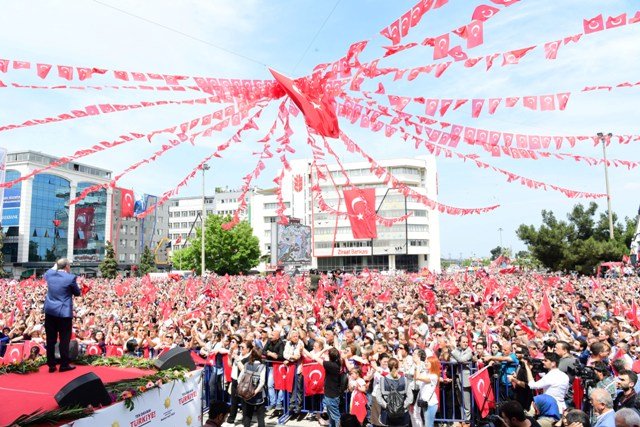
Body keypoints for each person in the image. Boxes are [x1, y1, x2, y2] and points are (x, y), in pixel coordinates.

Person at [43, 258, 82, 372]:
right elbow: (77, 293)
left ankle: (51, 365)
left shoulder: (49, 274)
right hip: (64, 313)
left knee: (50, 339)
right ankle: (64, 364)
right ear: (66, 267)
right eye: (69, 265)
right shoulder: (70, 278)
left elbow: (53, 268)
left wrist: (58, 264)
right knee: (64, 339)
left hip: (50, 311)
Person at [374, 357, 412, 426]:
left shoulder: (382, 380)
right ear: (398, 367)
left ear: (388, 367)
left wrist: (386, 406)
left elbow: (378, 397)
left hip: (387, 413)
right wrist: (402, 407)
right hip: (402, 414)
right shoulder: (405, 380)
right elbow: (410, 398)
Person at [238, 344, 267, 427]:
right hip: (258, 394)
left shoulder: (246, 364)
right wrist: (255, 391)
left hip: (247, 394)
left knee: (247, 415)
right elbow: (262, 382)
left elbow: (240, 378)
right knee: (260, 417)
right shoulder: (262, 366)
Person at [415, 355, 440, 427]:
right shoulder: (426, 373)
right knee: (427, 424)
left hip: (431, 404)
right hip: (425, 403)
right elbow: (416, 379)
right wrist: (416, 368)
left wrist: (417, 365)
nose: (425, 363)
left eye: (428, 362)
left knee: (428, 425)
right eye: (425, 362)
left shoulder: (434, 376)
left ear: (433, 364)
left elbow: (418, 377)